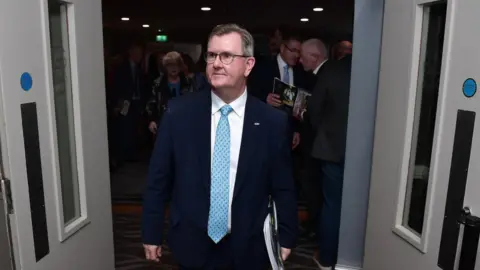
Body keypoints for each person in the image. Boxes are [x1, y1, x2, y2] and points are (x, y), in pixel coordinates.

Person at [142, 24, 298, 270]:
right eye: (212, 55)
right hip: (191, 240)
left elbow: (283, 185)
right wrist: (150, 231)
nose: (216, 63)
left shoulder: (272, 122)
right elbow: (158, 178)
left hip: (249, 243)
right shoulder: (179, 113)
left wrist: (287, 235)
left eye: (226, 56)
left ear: (248, 65)